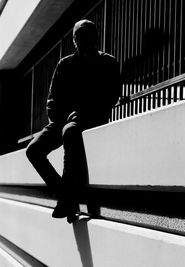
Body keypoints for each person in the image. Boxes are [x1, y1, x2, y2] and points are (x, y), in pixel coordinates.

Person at [26, 20, 120, 222]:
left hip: (91, 119)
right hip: (62, 121)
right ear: (74, 40)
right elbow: (51, 101)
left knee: (70, 131)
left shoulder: (107, 63)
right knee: (33, 150)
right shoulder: (65, 64)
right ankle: (65, 196)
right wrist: (62, 117)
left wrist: (83, 112)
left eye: (85, 34)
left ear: (95, 36)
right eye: (77, 36)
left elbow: (111, 96)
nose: (81, 39)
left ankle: (66, 198)